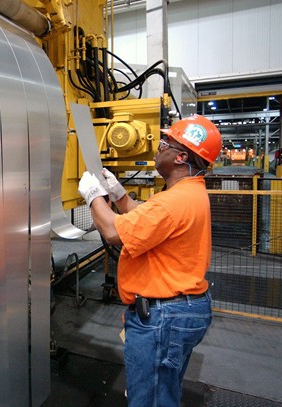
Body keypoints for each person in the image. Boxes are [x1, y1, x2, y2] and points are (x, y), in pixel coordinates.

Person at [78, 114, 222, 407]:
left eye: (165, 143)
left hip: (164, 315)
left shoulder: (174, 202)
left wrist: (93, 195)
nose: (158, 147)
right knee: (163, 392)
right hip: (178, 309)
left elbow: (112, 231)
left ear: (181, 156)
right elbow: (148, 217)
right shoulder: (188, 193)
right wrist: (119, 197)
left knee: (151, 400)